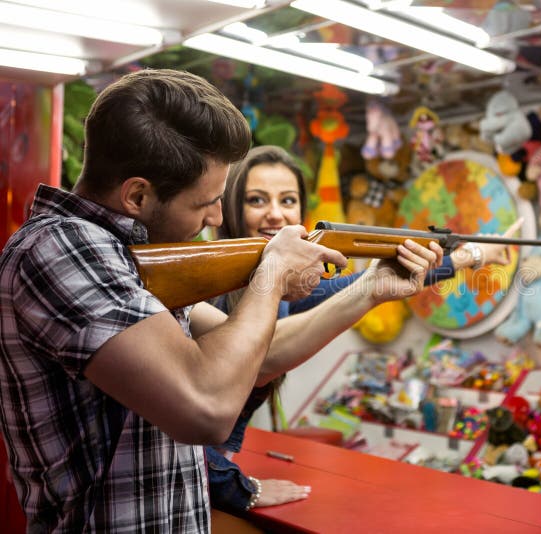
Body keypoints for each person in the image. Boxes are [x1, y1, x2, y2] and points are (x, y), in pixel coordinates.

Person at [0, 69, 441, 532]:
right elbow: (206, 408)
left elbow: (259, 353)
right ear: (137, 195)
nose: (215, 216)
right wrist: (272, 274)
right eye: (204, 203)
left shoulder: (128, 254)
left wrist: (369, 289)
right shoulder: (63, 249)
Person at [207, 144, 522, 512]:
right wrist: (237, 488)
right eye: (257, 200)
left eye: (289, 200)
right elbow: (177, 433)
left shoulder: (281, 287)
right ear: (229, 208)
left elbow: (365, 285)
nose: (276, 214)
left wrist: (475, 255)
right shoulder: (208, 289)